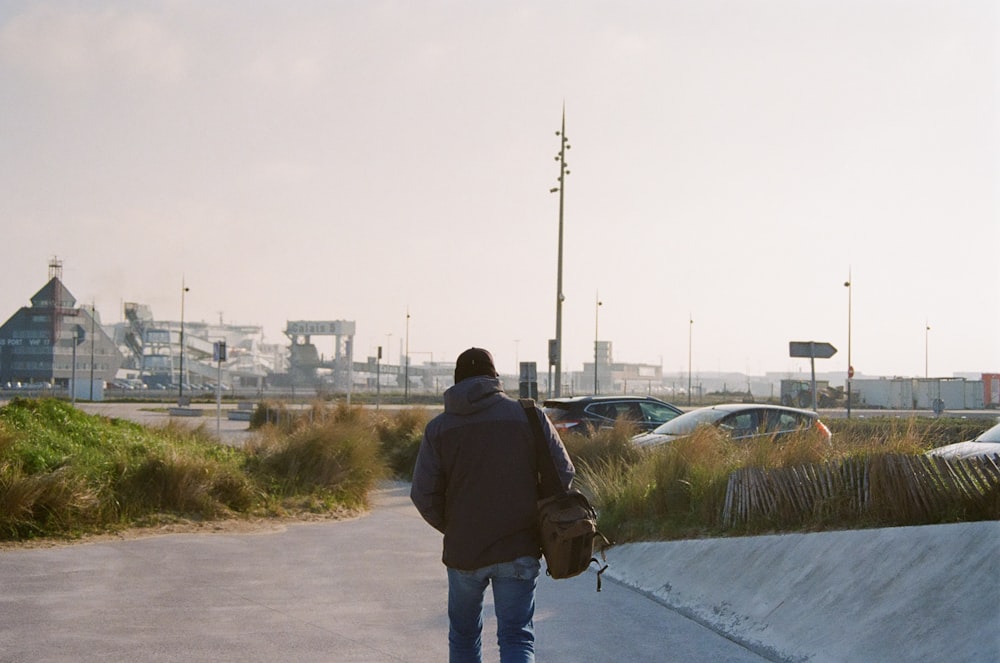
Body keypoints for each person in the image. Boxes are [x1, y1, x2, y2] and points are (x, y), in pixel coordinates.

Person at [411, 347, 574, 663]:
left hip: (464, 552)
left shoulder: (439, 429)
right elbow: (563, 472)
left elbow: (423, 495)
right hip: (519, 547)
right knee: (516, 638)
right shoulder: (528, 416)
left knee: (463, 639)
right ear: (494, 378)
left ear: (456, 381)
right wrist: (532, 513)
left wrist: (455, 525)